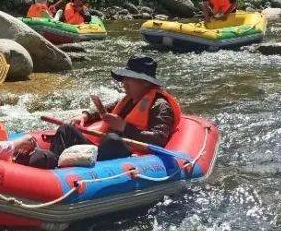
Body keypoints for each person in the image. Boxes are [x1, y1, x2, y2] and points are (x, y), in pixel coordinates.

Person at [52, 55, 183, 161]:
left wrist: (124, 127)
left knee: (112, 140)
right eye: (124, 78)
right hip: (104, 151)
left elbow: (159, 139)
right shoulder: (129, 99)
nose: (123, 82)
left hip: (132, 157)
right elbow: (107, 109)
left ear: (145, 82)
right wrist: (85, 115)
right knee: (66, 129)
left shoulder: (161, 105)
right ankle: (54, 163)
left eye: (129, 78)